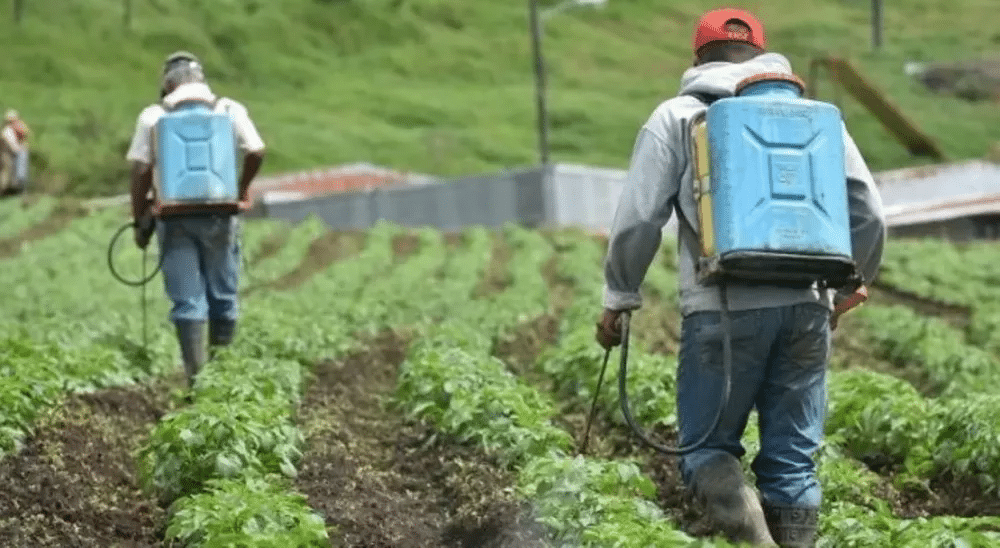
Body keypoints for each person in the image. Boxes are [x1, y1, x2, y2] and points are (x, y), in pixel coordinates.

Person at [594, 8, 885, 548]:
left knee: (708, 450)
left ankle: (755, 543)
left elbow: (638, 218)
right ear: (763, 54)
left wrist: (619, 295)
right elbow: (868, 210)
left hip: (720, 308)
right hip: (807, 307)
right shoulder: (817, 117)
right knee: (793, 465)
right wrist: (850, 284)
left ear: (697, 58)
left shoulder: (678, 116)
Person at [126, 51, 266, 388]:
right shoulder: (229, 110)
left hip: (174, 219)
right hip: (220, 214)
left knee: (187, 300)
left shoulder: (154, 116)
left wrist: (139, 216)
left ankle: (196, 383)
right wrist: (242, 190)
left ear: (167, 84)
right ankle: (222, 379)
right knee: (224, 295)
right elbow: (256, 150)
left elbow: (142, 168)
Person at [1, 109, 30, 193]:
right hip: (7, 154)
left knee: (11, 171)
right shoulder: (7, 131)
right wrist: (20, 148)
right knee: (6, 172)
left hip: (12, 153)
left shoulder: (13, 129)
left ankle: (14, 188)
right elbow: (12, 145)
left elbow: (25, 133)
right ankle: (6, 191)